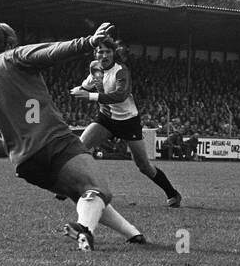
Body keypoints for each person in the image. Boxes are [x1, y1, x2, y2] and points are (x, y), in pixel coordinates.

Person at [0, 20, 145, 251]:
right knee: (99, 189)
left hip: (26, 164)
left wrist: (15, 147)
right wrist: (89, 42)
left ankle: (133, 234)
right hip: (54, 141)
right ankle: (84, 230)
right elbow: (52, 51)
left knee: (84, 191)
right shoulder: (13, 57)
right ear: (9, 42)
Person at [71, 35, 182, 207]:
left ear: (113, 53)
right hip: (106, 119)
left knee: (144, 166)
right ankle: (71, 188)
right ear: (96, 53)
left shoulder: (121, 71)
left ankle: (172, 193)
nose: (104, 55)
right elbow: (86, 85)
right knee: (78, 149)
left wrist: (90, 96)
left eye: (108, 51)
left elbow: (120, 95)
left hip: (128, 122)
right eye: (100, 51)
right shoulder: (94, 67)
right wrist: (78, 90)